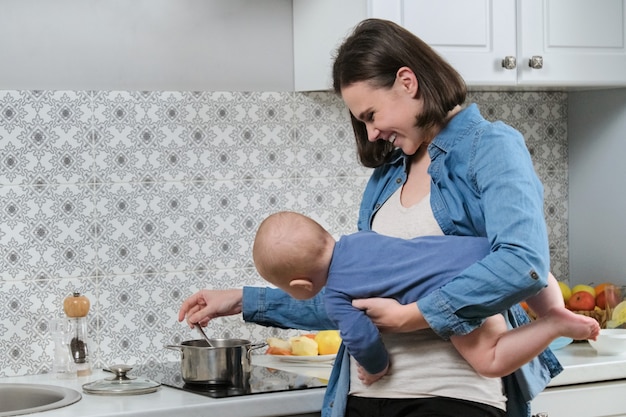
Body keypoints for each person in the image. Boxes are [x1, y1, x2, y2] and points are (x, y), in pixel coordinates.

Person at [180, 18, 574, 417]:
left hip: (452, 397)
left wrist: (413, 317)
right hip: (361, 396)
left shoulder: (490, 148)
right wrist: (245, 300)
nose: (370, 134)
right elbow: (351, 298)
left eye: (371, 114)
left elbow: (523, 263)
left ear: (407, 82)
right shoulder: (386, 178)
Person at [252, 211, 599, 386]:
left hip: (450, 290)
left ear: (299, 285)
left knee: (489, 359)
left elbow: (363, 339)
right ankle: (556, 308)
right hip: (479, 252)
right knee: (529, 274)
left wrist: (377, 369)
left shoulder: (338, 296)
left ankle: (554, 324)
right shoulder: (361, 238)